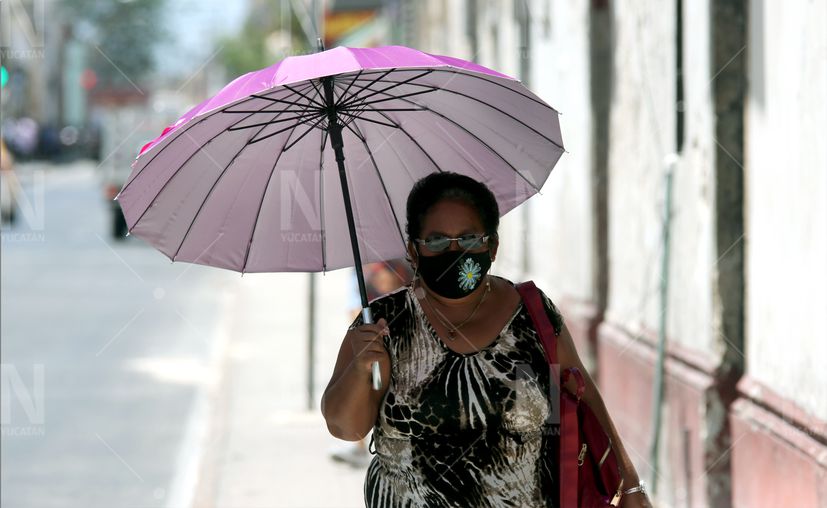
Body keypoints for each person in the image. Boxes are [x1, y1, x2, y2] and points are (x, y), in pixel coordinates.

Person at [321, 172, 651, 507]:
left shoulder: (532, 315)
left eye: (468, 239)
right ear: (413, 251)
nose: (454, 251)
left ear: (492, 245)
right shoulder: (385, 324)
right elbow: (346, 429)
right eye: (436, 241)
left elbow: (584, 397)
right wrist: (360, 369)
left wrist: (630, 487)